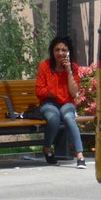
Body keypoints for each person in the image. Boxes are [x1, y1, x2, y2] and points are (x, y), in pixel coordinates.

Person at [35, 35, 86, 167]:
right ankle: (47, 148)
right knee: (53, 118)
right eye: (57, 50)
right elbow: (39, 91)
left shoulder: (73, 67)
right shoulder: (44, 66)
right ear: (52, 51)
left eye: (64, 50)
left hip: (67, 103)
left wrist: (68, 71)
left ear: (68, 52)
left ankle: (80, 156)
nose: (60, 53)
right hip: (49, 102)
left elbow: (74, 92)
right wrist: (52, 93)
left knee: (69, 117)